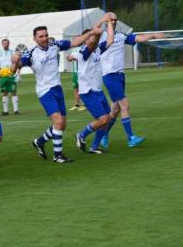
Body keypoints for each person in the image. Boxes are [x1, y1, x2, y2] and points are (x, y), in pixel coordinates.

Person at [17, 26, 100, 163]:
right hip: (45, 91)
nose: (44, 38)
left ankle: (39, 142)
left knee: (62, 125)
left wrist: (91, 32)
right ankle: (58, 155)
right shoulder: (31, 53)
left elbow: (75, 42)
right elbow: (19, 64)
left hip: (57, 89)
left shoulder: (55, 45)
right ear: (35, 39)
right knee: (58, 122)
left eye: (46, 35)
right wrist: (15, 62)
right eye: (41, 36)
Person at [99, 12, 165, 150]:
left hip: (120, 76)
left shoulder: (121, 36)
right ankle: (131, 138)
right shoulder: (101, 36)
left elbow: (138, 38)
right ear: (106, 21)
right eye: (111, 20)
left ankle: (103, 135)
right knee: (125, 106)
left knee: (116, 109)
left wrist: (153, 35)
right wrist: (104, 22)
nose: (114, 21)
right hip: (110, 76)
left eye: (115, 20)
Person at [74, 18, 115, 154]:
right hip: (88, 91)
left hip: (98, 90)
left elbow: (110, 40)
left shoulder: (97, 50)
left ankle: (94, 147)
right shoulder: (83, 51)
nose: (93, 40)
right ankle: (81, 135)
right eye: (90, 38)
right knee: (102, 119)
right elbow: (93, 43)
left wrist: (109, 22)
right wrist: (101, 21)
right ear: (85, 40)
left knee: (107, 119)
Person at [0, 38, 20, 115]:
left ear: (9, 44)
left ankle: (16, 110)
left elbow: (17, 64)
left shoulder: (12, 52)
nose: (5, 44)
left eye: (6, 43)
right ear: (2, 44)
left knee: (13, 92)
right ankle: (5, 111)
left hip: (11, 75)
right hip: (3, 76)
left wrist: (18, 75)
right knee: (5, 92)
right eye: (4, 43)